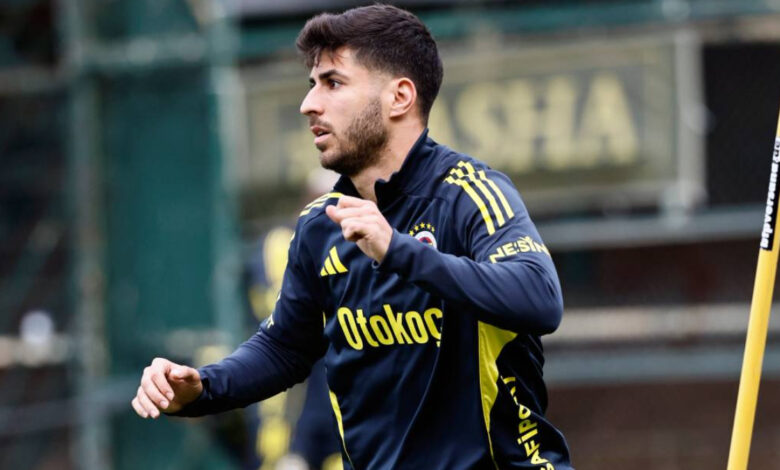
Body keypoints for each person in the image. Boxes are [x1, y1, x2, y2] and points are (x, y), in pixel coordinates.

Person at [131, 4, 573, 469]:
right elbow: (284, 347)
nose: (309, 104)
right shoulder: (319, 225)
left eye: (333, 83)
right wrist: (203, 387)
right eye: (312, 84)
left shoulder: (468, 194)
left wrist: (397, 249)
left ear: (399, 97)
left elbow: (540, 297)